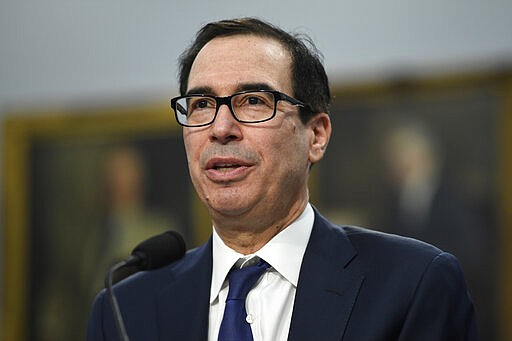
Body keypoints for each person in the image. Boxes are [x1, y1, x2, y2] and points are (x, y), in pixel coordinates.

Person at [87, 17, 477, 340]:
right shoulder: (123, 310)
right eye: (202, 104)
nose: (221, 128)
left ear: (316, 136)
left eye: (253, 101)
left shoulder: (413, 284)